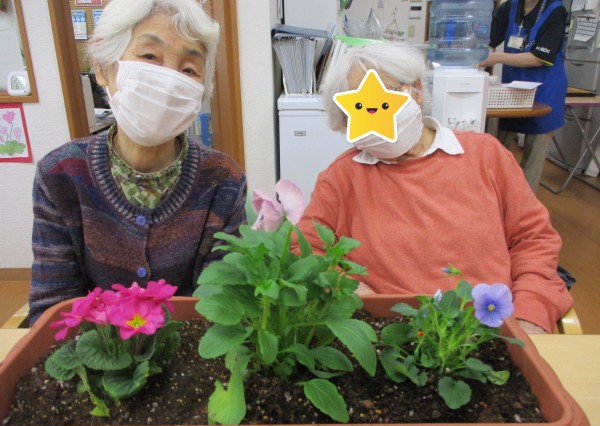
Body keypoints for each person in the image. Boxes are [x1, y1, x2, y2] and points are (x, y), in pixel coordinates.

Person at [296, 43, 573, 334]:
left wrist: (531, 314)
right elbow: (303, 250)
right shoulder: (342, 177)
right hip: (390, 335)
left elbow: (533, 240)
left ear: (416, 90)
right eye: (354, 111)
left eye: (382, 99)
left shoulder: (486, 155)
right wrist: (353, 292)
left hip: (487, 329)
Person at [28, 0, 247, 323]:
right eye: (149, 57)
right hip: (99, 347)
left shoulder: (223, 180)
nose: (168, 81)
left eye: (188, 69)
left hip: (189, 346)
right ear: (103, 68)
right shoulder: (61, 175)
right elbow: (52, 311)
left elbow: (221, 309)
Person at [479, 0, 568, 191]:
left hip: (545, 91)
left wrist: (495, 57)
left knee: (534, 155)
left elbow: (538, 58)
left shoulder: (556, 10)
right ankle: (493, 198)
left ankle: (525, 205)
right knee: (498, 149)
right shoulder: (509, 7)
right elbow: (488, 39)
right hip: (513, 91)